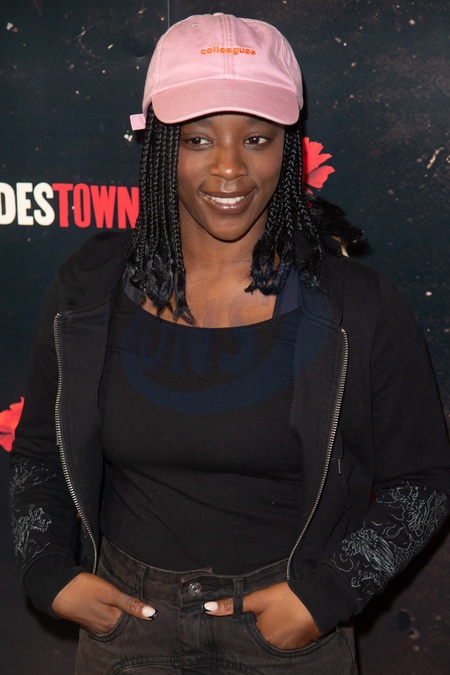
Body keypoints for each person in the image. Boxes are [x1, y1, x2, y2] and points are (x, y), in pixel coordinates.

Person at [9, 13, 450, 675]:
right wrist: (47, 571)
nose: (228, 167)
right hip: (127, 631)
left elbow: (422, 480)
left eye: (256, 138)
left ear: (288, 147)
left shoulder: (359, 306)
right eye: (197, 139)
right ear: (160, 145)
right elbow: (39, 451)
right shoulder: (89, 287)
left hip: (288, 634)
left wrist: (327, 595)